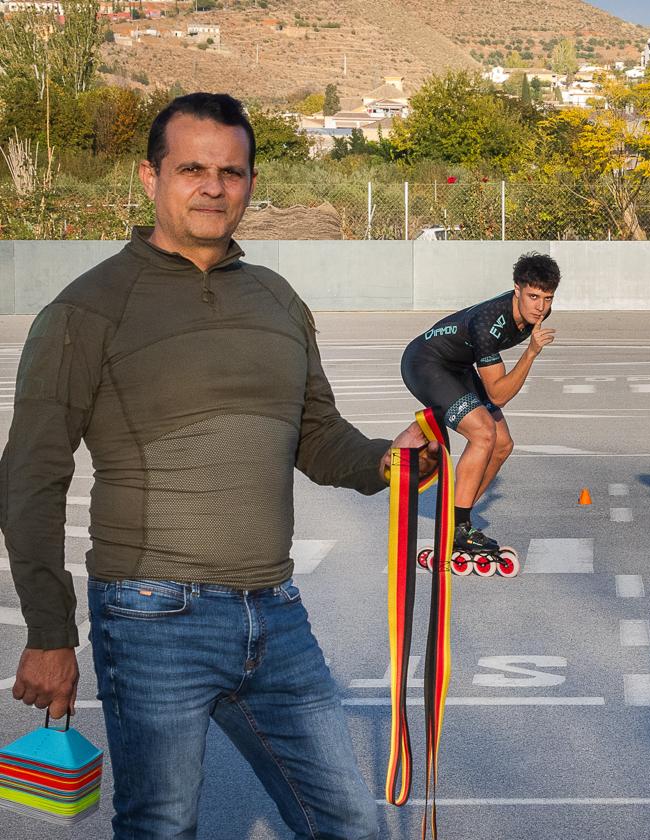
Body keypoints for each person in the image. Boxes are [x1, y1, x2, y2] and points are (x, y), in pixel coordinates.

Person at [0, 92, 440, 839]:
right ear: (150, 177)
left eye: (231, 172)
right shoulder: (89, 309)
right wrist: (50, 630)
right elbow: (31, 476)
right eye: (193, 168)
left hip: (274, 611)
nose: (213, 187)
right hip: (150, 615)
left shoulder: (278, 300)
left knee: (348, 822)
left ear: (251, 183)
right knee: (162, 826)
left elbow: (317, 436)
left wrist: (393, 464)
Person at [400, 254, 559, 553]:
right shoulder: (488, 323)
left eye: (547, 298)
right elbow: (498, 394)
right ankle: (459, 529)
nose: (540, 307)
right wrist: (530, 354)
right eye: (533, 296)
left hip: (458, 366)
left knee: (502, 444)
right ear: (517, 289)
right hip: (426, 362)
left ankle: (455, 520)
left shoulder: (538, 312)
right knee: (484, 433)